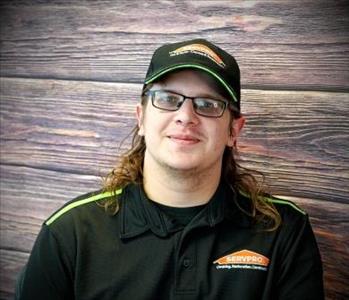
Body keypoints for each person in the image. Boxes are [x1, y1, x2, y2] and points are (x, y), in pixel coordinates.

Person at [16, 39, 324, 300]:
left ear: (234, 130)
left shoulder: (284, 232)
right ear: (141, 118)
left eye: (207, 104)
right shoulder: (70, 232)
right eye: (167, 99)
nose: (185, 116)